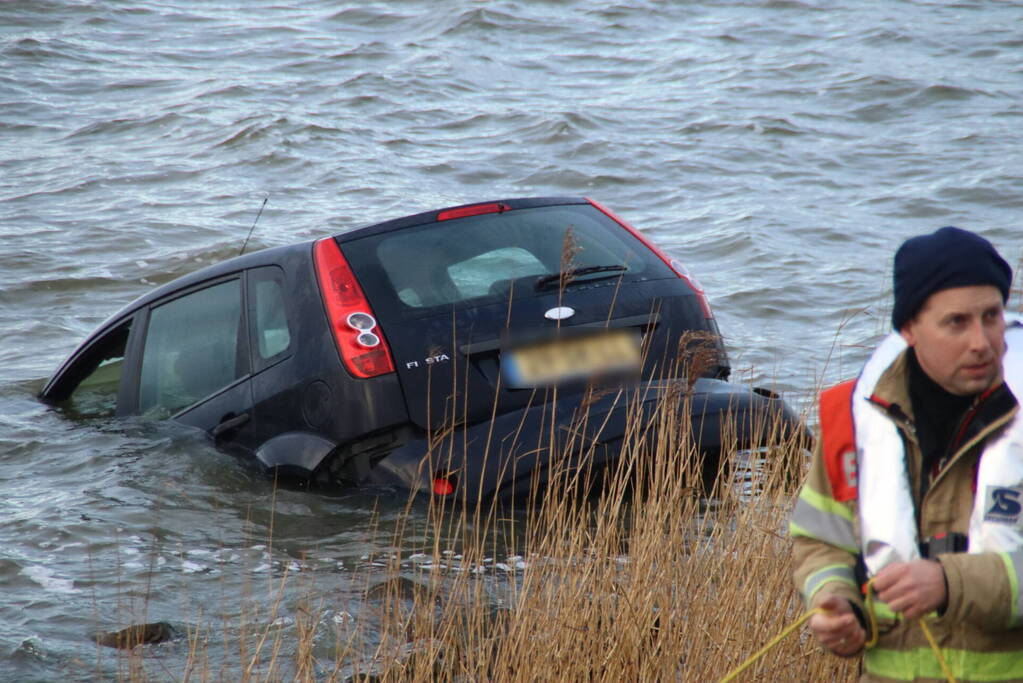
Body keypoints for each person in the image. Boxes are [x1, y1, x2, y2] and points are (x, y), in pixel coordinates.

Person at [790, 226, 1023, 682]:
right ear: (910, 329)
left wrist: (950, 583)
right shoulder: (853, 419)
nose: (981, 340)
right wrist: (834, 601)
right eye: (957, 322)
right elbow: (819, 540)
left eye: (991, 316)